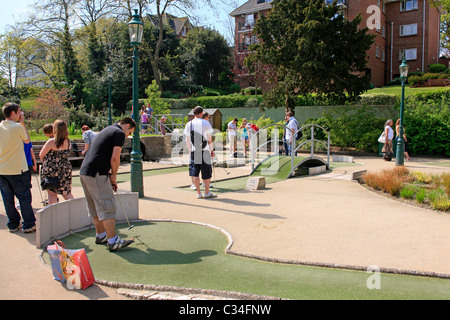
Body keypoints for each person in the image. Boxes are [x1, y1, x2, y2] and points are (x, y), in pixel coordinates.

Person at [79, 117, 136, 252]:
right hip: (97, 173)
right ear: (127, 125)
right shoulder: (119, 133)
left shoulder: (107, 129)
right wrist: (113, 177)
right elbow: (115, 158)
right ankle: (113, 241)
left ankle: (101, 235)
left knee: (95, 205)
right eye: (130, 132)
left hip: (85, 172)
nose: (128, 136)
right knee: (107, 205)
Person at [0, 102, 36, 233]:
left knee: (7, 199)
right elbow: (27, 140)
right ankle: (28, 224)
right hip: (18, 169)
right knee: (24, 197)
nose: (20, 113)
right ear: (13, 113)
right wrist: (22, 123)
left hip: (2, 169)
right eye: (19, 111)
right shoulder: (18, 127)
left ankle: (13, 224)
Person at [39, 119, 75, 205]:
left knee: (52, 193)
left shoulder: (52, 142)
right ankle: (75, 208)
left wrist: (45, 163)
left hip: (52, 169)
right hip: (65, 168)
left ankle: (53, 214)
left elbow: (41, 154)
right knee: (66, 192)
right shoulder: (68, 141)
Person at [184, 106, 216, 199]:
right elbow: (209, 138)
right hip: (205, 150)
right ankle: (206, 192)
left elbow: (187, 140)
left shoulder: (189, 124)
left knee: (195, 172)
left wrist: (190, 152)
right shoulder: (206, 122)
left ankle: (198, 193)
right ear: (201, 113)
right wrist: (211, 150)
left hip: (194, 151)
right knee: (206, 172)